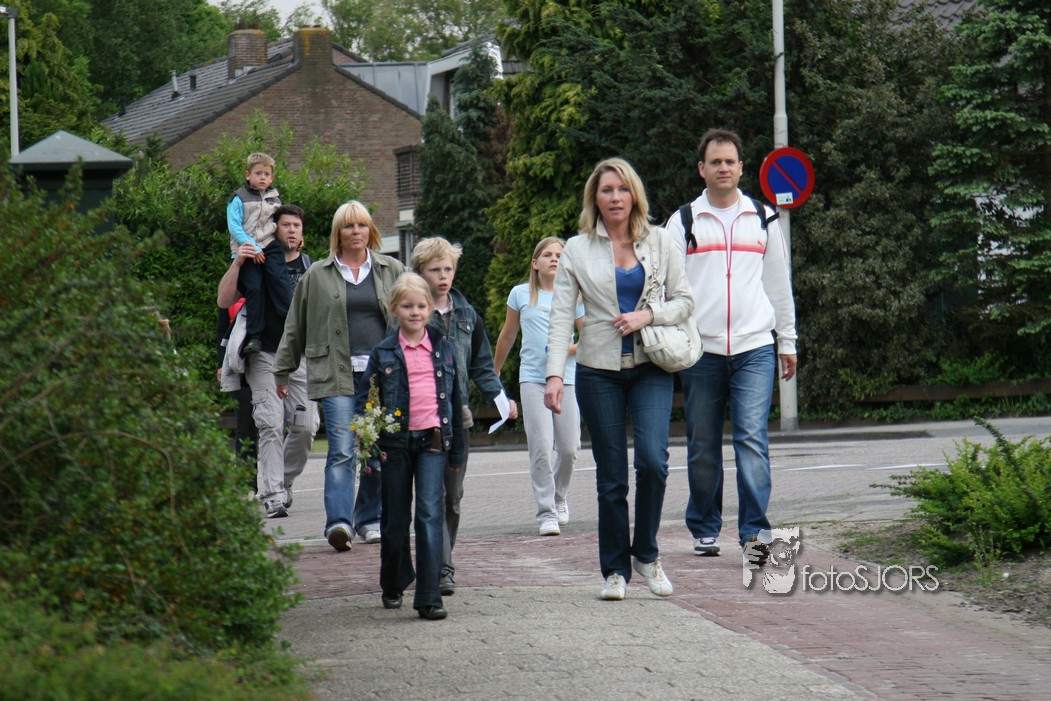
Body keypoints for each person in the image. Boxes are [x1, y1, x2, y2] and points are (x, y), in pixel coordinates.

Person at [544, 157, 694, 601]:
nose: (615, 197)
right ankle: (614, 570)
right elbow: (560, 318)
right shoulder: (576, 249)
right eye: (606, 190)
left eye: (622, 189)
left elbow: (685, 301)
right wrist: (554, 375)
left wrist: (649, 314)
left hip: (651, 365)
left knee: (653, 461)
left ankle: (646, 553)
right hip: (598, 372)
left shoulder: (661, 241)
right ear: (595, 197)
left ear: (634, 195)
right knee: (611, 477)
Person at [664, 128, 797, 563]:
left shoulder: (764, 218)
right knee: (703, 444)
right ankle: (705, 527)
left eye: (730, 161)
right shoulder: (682, 221)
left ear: (742, 167)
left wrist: (787, 341)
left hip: (754, 347)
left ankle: (755, 533)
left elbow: (779, 285)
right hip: (699, 350)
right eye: (715, 162)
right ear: (701, 169)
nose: (723, 168)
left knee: (752, 440)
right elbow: (665, 287)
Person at [273, 201, 406, 551]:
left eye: (361, 225)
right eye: (348, 226)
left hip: (381, 377)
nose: (355, 232)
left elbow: (414, 314)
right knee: (343, 450)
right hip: (336, 374)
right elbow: (295, 325)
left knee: (377, 451)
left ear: (370, 230)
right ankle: (339, 523)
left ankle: (369, 519)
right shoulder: (317, 275)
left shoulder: (391, 269)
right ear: (338, 233)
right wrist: (283, 369)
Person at [412, 237, 518, 595]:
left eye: (448, 269)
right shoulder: (411, 313)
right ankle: (441, 568)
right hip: (422, 418)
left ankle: (441, 559)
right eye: (435, 270)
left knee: (452, 499)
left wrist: (501, 399)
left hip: (459, 420)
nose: (443, 276)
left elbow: (482, 366)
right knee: (431, 496)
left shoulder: (467, 314)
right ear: (420, 272)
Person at [359, 273, 466, 621]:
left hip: (433, 443)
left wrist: (458, 450)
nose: (415, 312)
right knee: (395, 518)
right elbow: (366, 400)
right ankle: (393, 581)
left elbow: (455, 399)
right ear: (394, 310)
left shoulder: (444, 348)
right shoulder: (383, 352)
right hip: (395, 445)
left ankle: (429, 596)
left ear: (430, 309)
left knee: (429, 514)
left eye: (421, 306)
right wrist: (368, 444)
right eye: (407, 306)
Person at [218, 204, 319, 518]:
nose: (291, 230)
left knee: (306, 426)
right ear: (274, 229)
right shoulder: (258, 261)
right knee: (270, 424)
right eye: (286, 225)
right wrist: (238, 261)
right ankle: (273, 495)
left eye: (296, 226)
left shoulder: (312, 267)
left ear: (302, 232)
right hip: (264, 354)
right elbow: (224, 300)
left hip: (300, 356)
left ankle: (283, 480)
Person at [493, 237, 584, 536]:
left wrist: (566, 349)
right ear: (535, 263)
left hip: (566, 380)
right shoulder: (520, 294)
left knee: (569, 448)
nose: (554, 259)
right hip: (532, 379)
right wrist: (493, 373)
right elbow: (507, 336)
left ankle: (559, 496)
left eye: (559, 255)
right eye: (547, 255)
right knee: (542, 447)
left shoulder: (574, 297)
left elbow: (588, 338)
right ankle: (546, 513)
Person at [226, 152, 290, 357]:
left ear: (272, 178)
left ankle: (290, 319)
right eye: (258, 173)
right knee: (255, 288)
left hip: (269, 245)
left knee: (279, 279)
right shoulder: (238, 198)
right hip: (246, 249)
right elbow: (234, 227)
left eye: (266, 174)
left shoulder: (275, 200)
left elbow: (281, 225)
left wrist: (292, 243)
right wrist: (253, 247)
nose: (262, 177)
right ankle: (255, 336)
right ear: (248, 175)